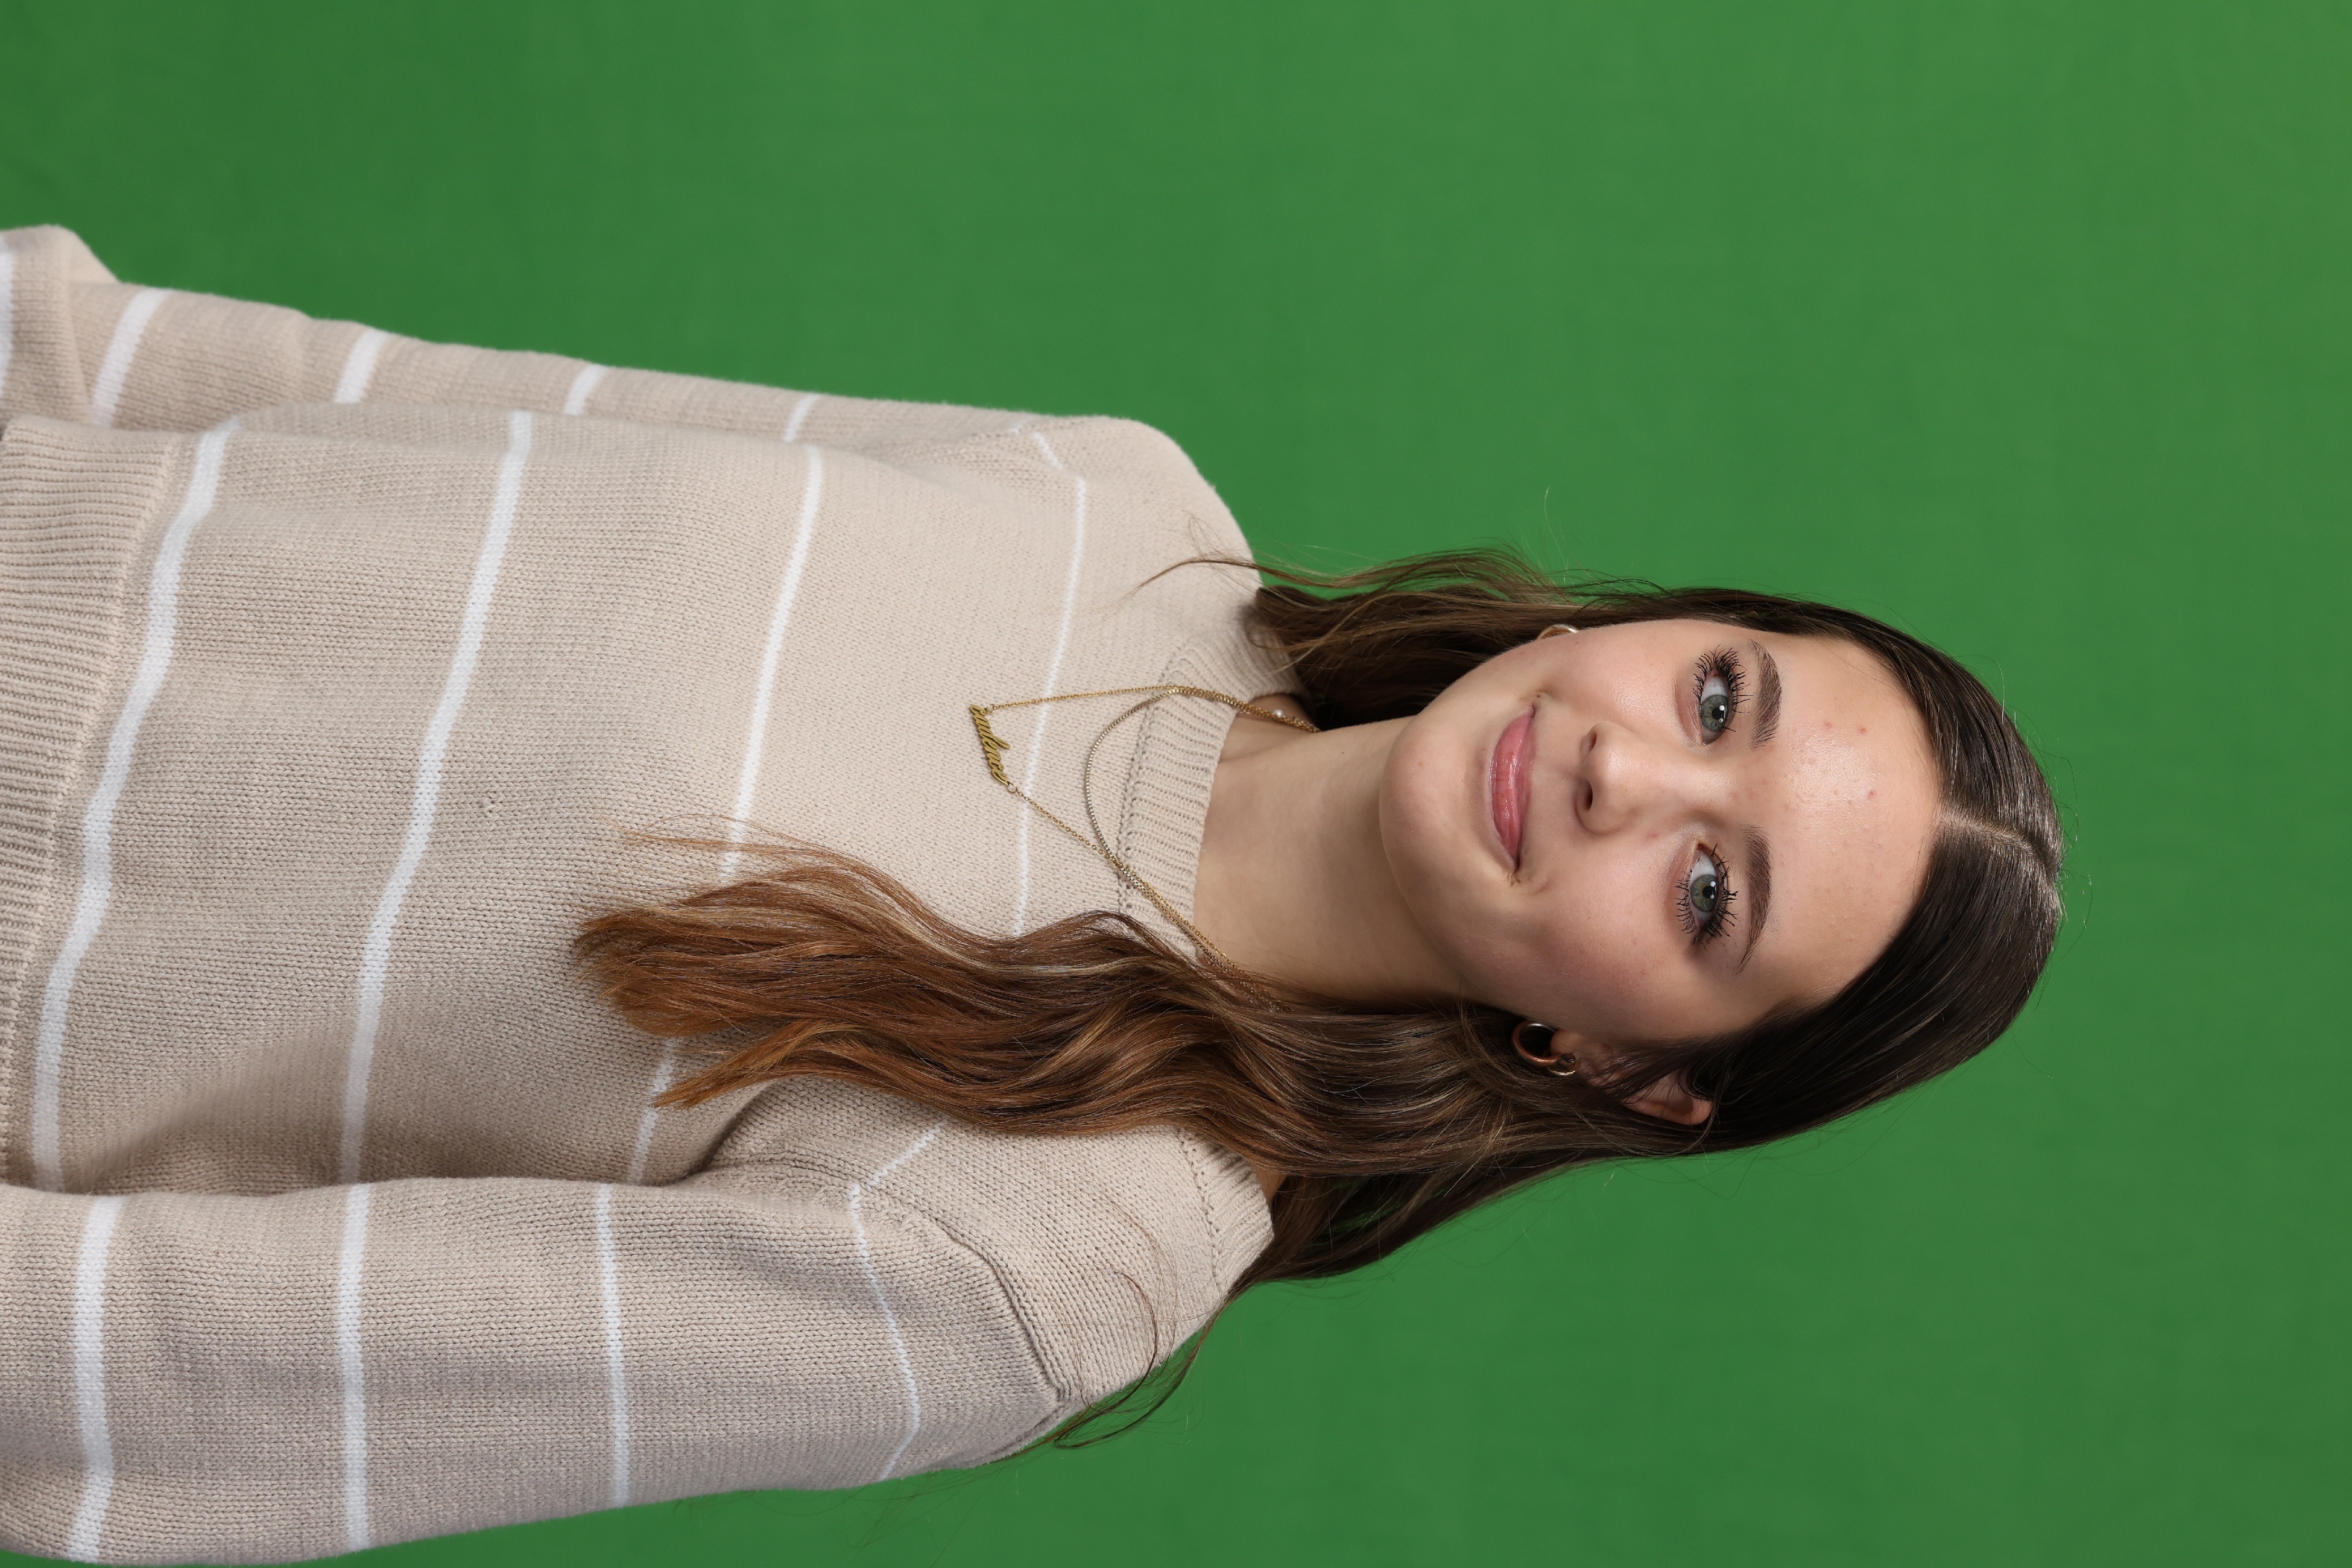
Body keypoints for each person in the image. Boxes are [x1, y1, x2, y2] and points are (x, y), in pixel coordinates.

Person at [0, 226, 2061, 1564]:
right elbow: (294, 380)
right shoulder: (1109, 502)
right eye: (1719, 696)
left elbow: (157, 1370)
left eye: (1706, 890)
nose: (1627, 770)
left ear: (1628, 1069)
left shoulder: (1049, 1257)